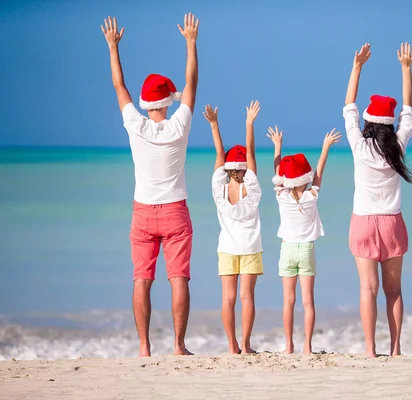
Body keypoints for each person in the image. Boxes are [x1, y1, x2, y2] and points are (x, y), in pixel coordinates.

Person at [101, 13, 199, 357]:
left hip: (142, 211)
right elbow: (191, 83)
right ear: (167, 102)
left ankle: (144, 347)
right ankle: (178, 345)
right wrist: (190, 42)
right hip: (175, 210)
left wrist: (113, 48)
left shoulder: (135, 125)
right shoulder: (178, 128)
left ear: (146, 104)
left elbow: (119, 86)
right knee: (179, 279)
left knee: (141, 278)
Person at [343, 42, 412, 357]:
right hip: (391, 224)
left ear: (369, 122)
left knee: (367, 290)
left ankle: (370, 350)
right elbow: (408, 112)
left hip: (362, 223)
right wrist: (406, 68)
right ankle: (396, 349)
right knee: (394, 291)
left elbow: (348, 107)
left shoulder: (360, 146)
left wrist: (357, 67)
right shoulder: (397, 147)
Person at [267, 126, 341, 354]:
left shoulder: (281, 196)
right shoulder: (311, 196)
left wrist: (277, 146)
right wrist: (326, 146)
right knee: (308, 301)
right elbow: (319, 171)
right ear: (305, 179)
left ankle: (289, 345)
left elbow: (278, 173)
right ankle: (307, 347)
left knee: (288, 300)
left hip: (287, 250)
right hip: (307, 250)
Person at [204, 101, 263, 354]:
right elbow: (251, 154)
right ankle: (247, 345)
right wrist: (249, 123)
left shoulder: (220, 189)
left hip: (227, 248)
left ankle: (232, 346)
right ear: (246, 169)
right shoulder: (253, 186)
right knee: (247, 297)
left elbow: (219, 154)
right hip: (250, 247)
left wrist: (214, 125)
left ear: (227, 168)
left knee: (228, 299)